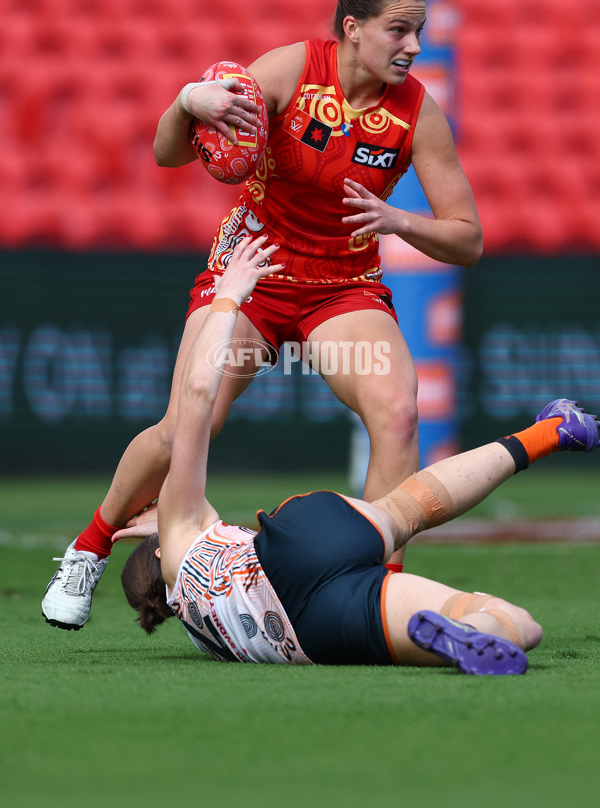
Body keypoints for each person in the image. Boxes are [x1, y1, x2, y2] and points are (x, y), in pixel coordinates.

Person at [42, 0, 482, 631]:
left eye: (419, 32)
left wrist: (400, 219)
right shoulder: (288, 71)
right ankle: (89, 547)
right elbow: (168, 153)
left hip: (342, 283)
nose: (412, 47)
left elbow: (467, 237)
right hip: (253, 271)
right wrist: (189, 101)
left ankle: (371, 590)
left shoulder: (417, 113)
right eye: (398, 31)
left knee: (396, 413)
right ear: (353, 29)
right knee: (185, 428)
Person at [116, 238, 598, 673]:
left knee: (519, 624)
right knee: (405, 510)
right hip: (296, 546)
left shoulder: (204, 635)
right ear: (158, 550)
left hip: (317, 630)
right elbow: (199, 391)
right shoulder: (180, 537)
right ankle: (551, 432)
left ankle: (472, 631)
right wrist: (229, 296)